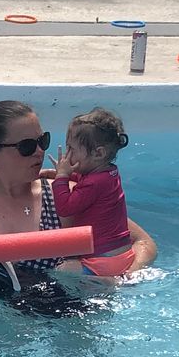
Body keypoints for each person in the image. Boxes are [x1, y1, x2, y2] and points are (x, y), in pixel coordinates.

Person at [0, 101, 156, 309]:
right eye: (27, 146)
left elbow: (143, 242)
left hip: (67, 317)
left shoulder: (64, 197)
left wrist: (124, 278)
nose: (39, 152)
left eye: (42, 141)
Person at [51, 108, 135, 277]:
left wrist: (61, 178)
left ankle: (105, 282)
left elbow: (65, 208)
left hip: (102, 260)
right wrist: (56, 174)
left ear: (98, 153)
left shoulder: (94, 184)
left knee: (61, 271)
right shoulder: (109, 173)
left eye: (71, 149)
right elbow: (83, 178)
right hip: (120, 253)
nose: (68, 155)